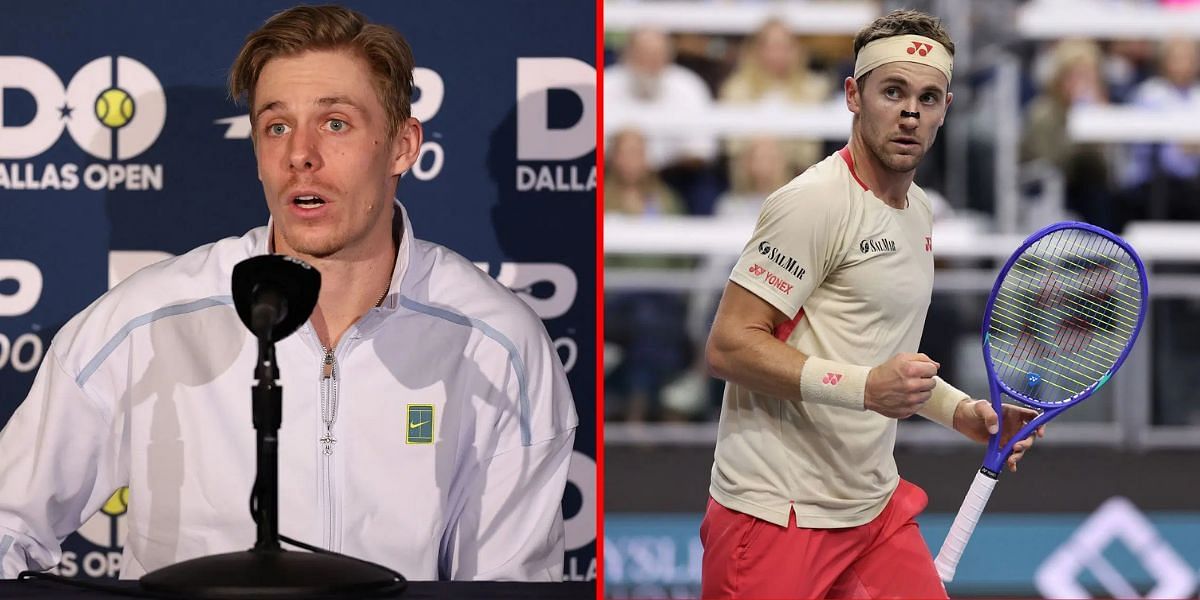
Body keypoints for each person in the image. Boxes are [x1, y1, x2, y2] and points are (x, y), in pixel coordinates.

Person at [0, 5, 577, 582]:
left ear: (402, 146)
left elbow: (510, 585)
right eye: (277, 127)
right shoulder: (146, 322)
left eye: (335, 123)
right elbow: (8, 523)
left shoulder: (497, 344)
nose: (300, 154)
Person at [699, 10, 1044, 599]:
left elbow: (887, 361)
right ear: (853, 96)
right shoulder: (812, 203)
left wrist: (964, 412)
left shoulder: (920, 212)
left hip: (871, 513)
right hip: (776, 516)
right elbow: (729, 345)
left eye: (928, 97)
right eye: (893, 92)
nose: (911, 112)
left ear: (946, 108)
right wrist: (863, 388)